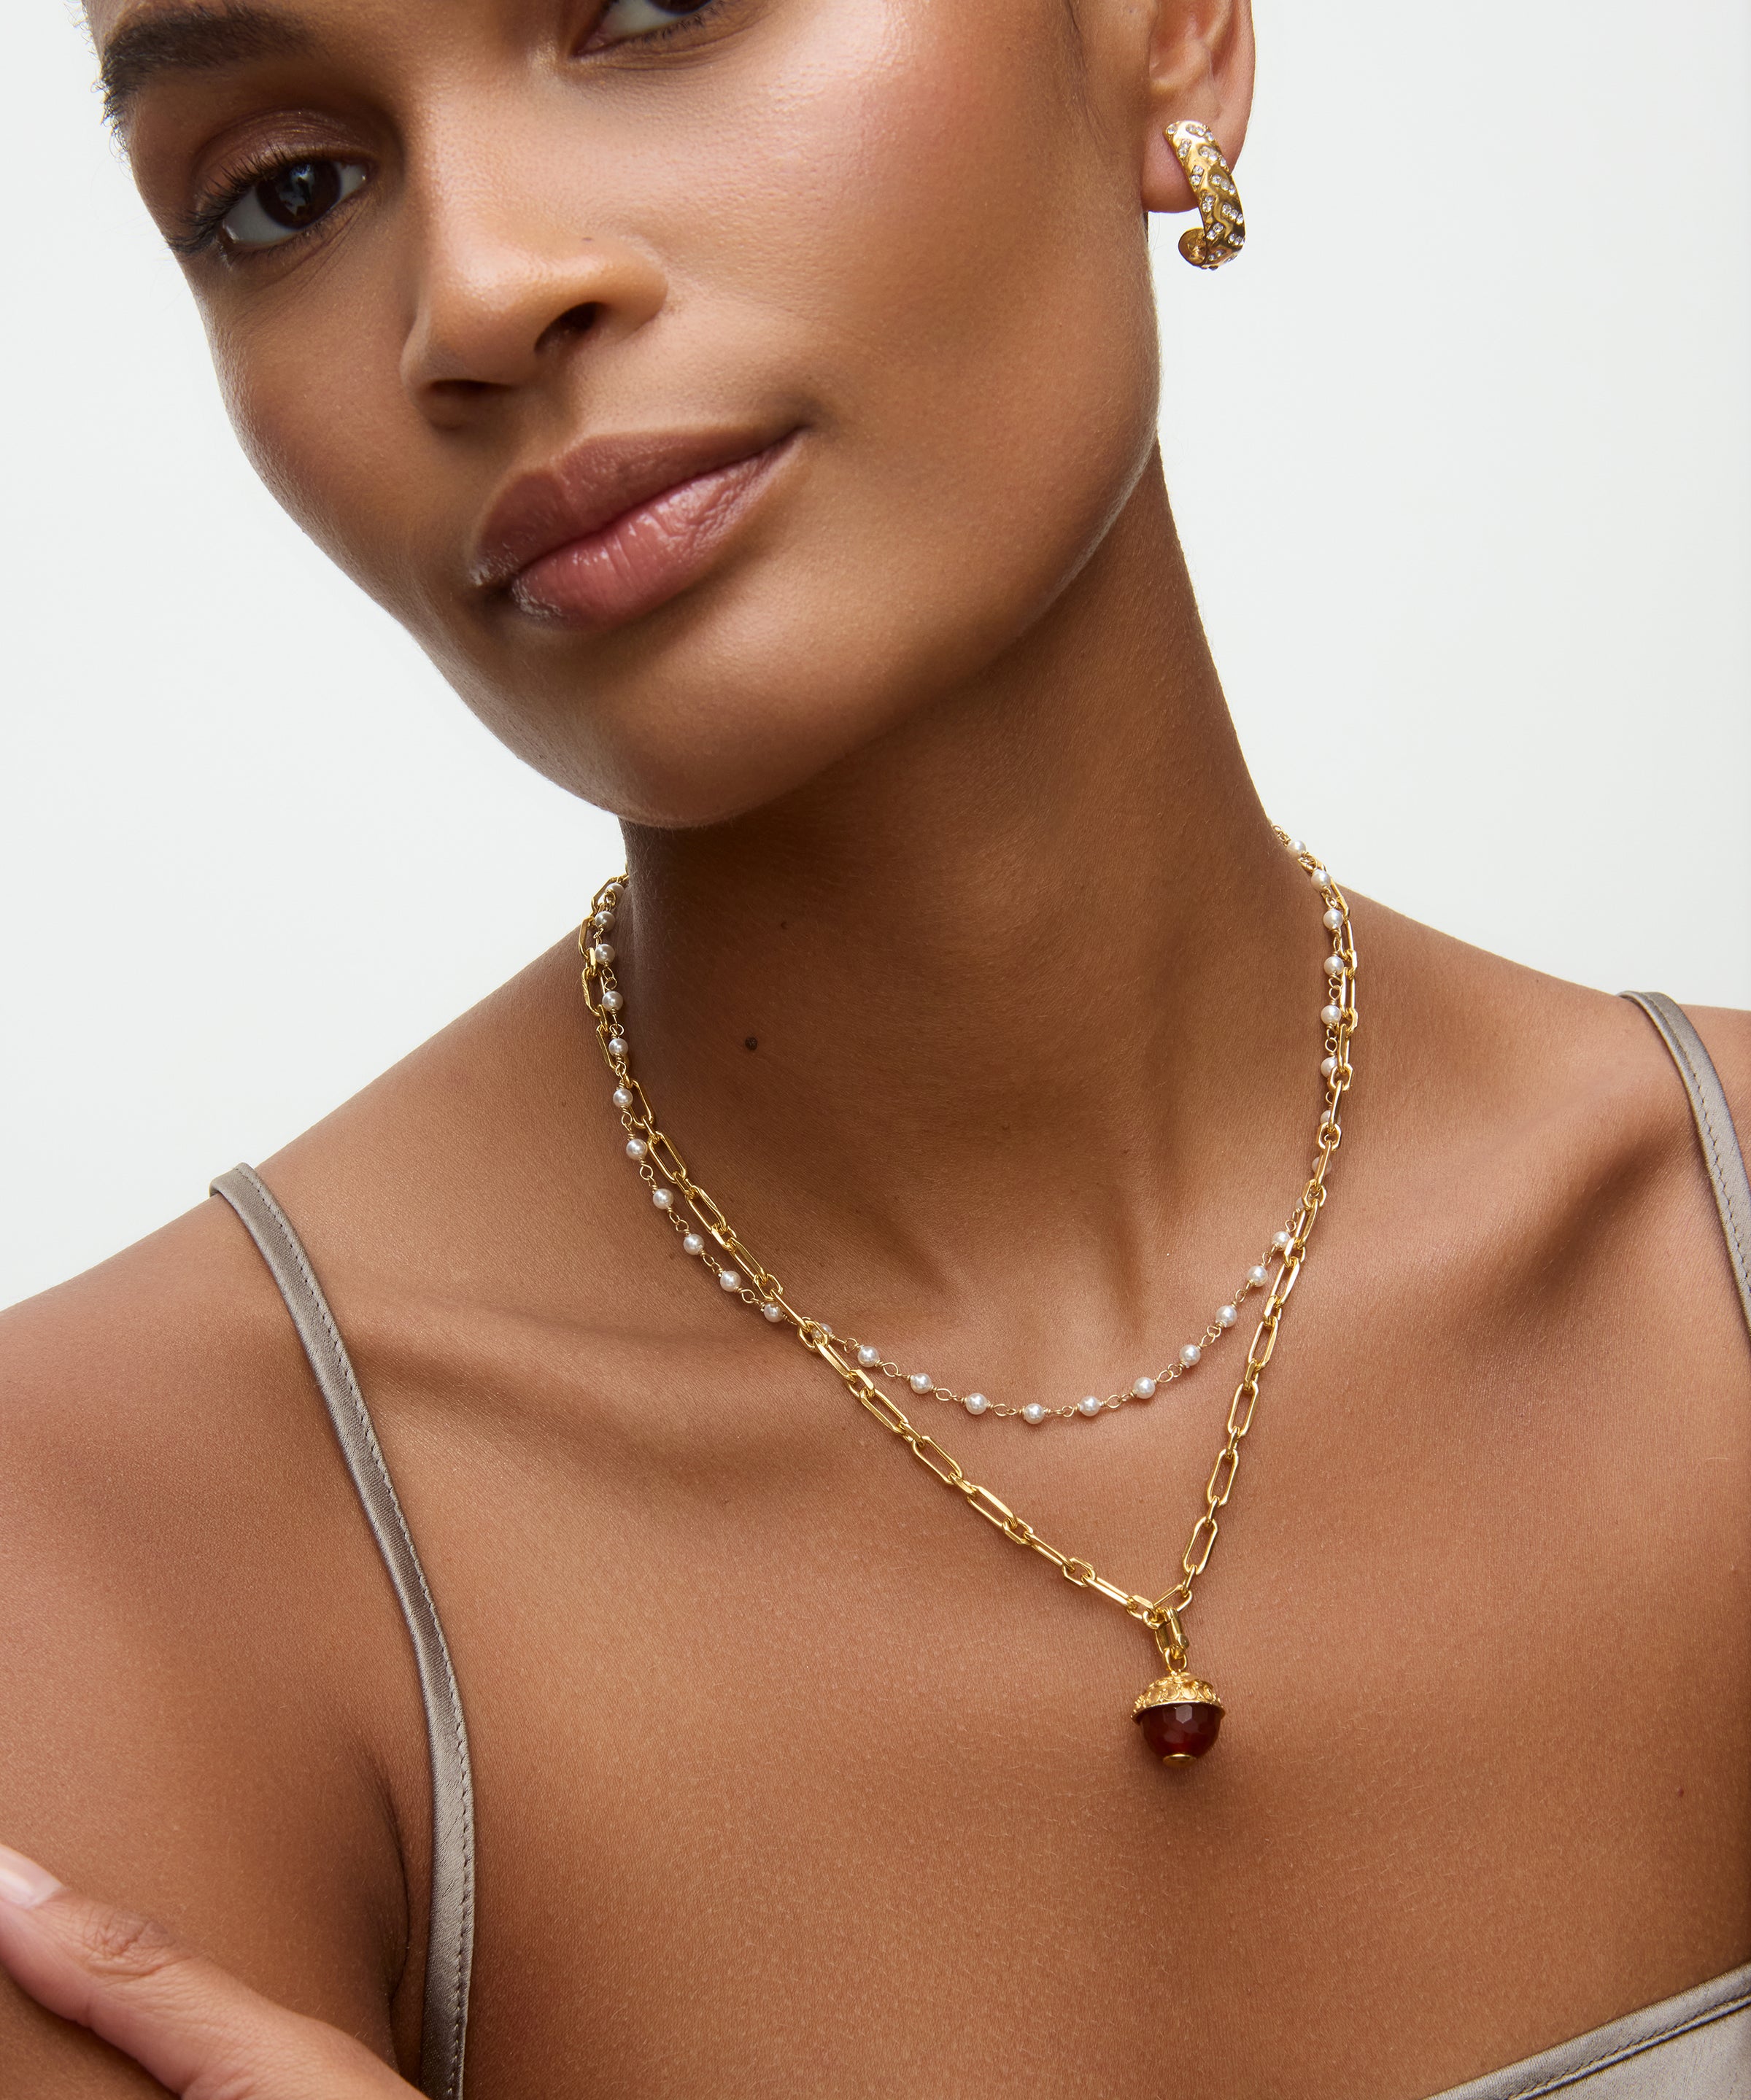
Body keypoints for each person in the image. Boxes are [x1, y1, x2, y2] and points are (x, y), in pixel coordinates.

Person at [2, 0, 1747, 2094]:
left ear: (1166, 36)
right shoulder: (99, 1555)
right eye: (286, 191)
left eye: (654, 8)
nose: (479, 292)